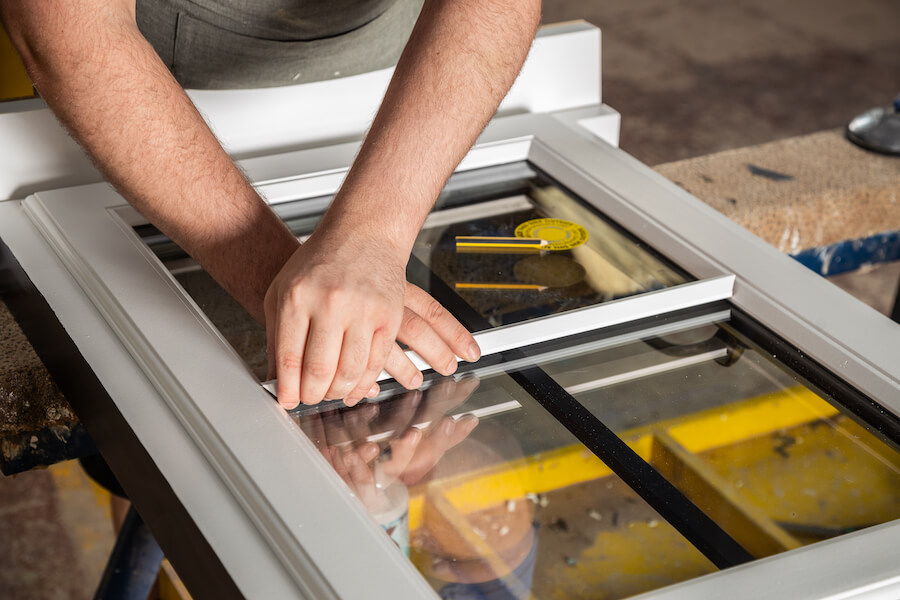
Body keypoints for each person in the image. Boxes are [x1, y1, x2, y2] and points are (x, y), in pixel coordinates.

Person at [0, 0, 542, 409]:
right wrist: (294, 297)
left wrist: (372, 239)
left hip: (408, 85)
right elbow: (71, 32)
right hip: (154, 107)